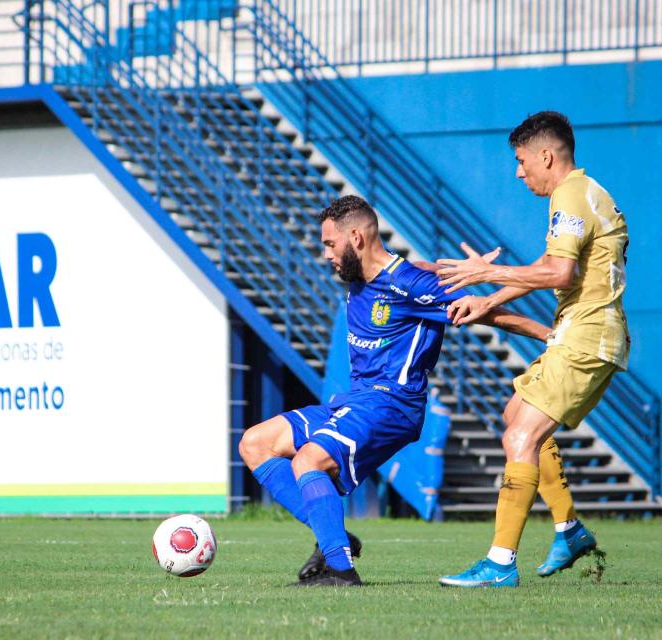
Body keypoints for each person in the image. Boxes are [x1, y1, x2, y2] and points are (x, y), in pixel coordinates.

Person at [239, 195, 551, 586]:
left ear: (355, 237)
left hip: (393, 403)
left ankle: (340, 570)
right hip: (356, 401)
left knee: (309, 461)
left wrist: (548, 334)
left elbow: (481, 309)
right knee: (254, 443)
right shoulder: (362, 279)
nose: (325, 255)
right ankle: (332, 537)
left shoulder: (409, 283)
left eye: (329, 244)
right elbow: (423, 271)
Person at [435, 111, 629, 588]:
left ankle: (500, 563)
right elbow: (548, 264)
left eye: (521, 161)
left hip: (587, 335)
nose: (518, 172)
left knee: (520, 439)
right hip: (578, 331)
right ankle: (568, 527)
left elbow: (558, 275)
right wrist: (489, 298)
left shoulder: (570, 194)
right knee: (515, 414)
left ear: (546, 155)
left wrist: (487, 275)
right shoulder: (582, 193)